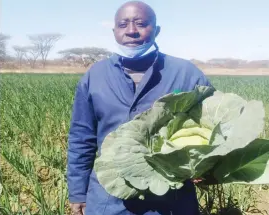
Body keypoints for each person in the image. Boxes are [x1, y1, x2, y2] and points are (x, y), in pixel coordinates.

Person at [67, 1, 214, 215]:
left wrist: (207, 167)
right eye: (123, 24)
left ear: (157, 30)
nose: (131, 31)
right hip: (109, 197)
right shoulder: (95, 76)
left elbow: (214, 125)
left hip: (172, 199)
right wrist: (78, 192)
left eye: (141, 23)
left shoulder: (186, 74)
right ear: (114, 31)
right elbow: (82, 137)